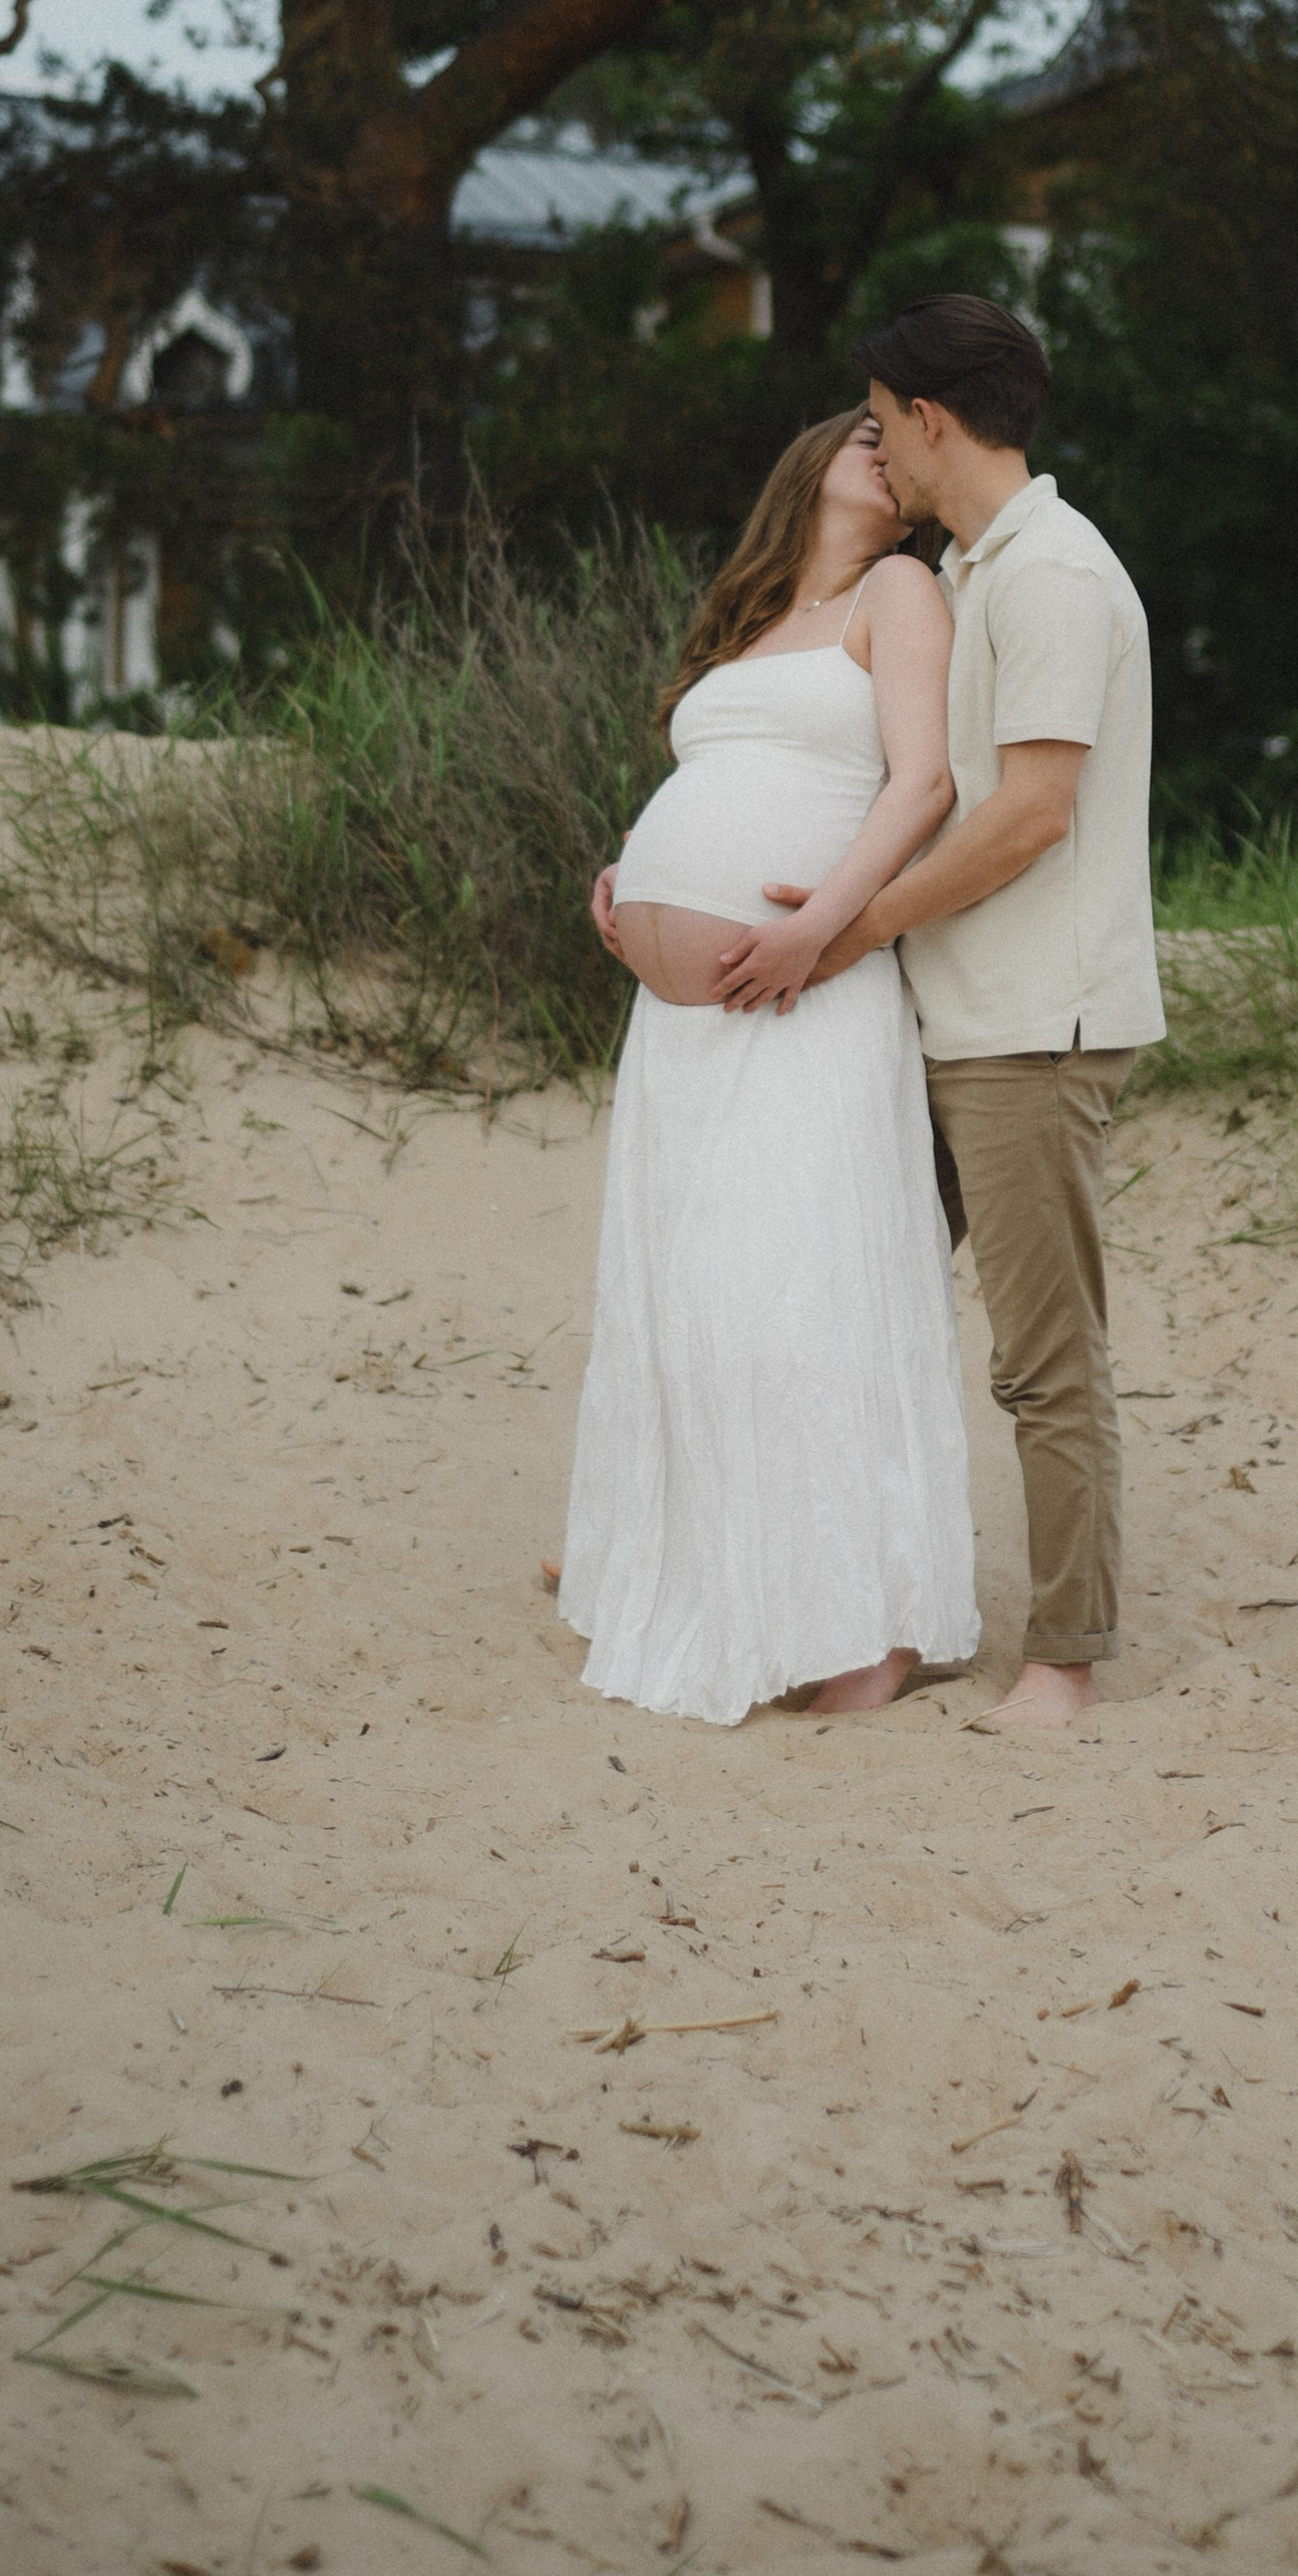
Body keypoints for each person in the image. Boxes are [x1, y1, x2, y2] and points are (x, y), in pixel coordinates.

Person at [733, 294, 1163, 1729]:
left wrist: (850, 930)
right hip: (947, 1020)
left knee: (1045, 1361)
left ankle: (1065, 1656)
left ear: (929, 416)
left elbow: (1032, 814)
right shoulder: (979, 573)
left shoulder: (1049, 577)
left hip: (1033, 1028)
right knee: (840, 1304)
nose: (877, 449)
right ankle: (835, 1601)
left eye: (881, 417)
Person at [554, 407, 980, 1726]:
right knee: (688, 1296)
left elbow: (922, 787)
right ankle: (703, 1560)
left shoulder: (900, 590)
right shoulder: (742, 627)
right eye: (860, 430)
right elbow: (720, 770)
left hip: (809, 1001)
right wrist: (633, 871)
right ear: (801, 463)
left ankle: (870, 1619)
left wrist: (819, 928)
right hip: (682, 1026)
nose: (884, 448)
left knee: (807, 1297)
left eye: (892, 443)